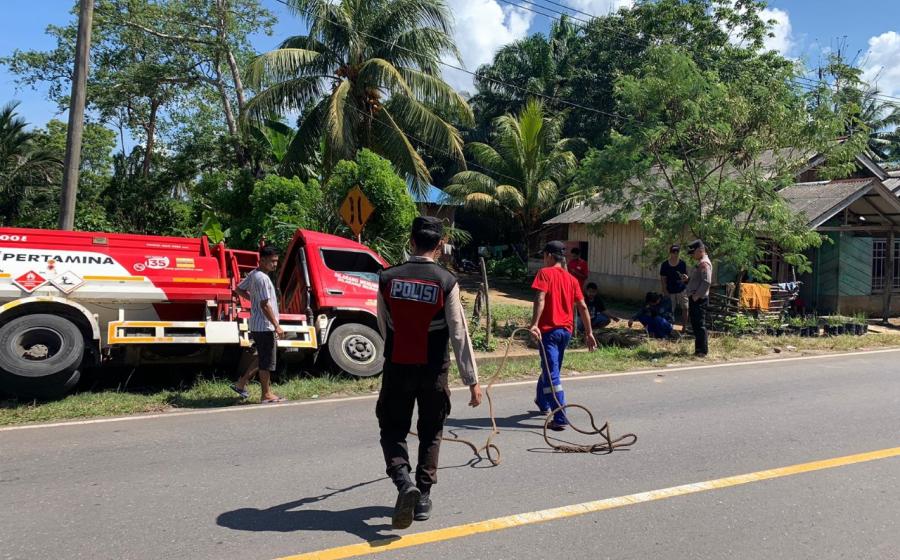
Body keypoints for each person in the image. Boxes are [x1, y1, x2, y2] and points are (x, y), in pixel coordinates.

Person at [376, 216, 482, 530]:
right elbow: (459, 333)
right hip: (435, 370)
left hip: (397, 366)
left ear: (411, 241)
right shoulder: (446, 281)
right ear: (439, 245)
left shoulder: (387, 278)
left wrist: (397, 349)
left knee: (392, 429)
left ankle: (402, 480)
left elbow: (382, 324)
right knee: (431, 431)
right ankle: (422, 496)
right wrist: (472, 381)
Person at [529, 241, 597, 431]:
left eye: (544, 255)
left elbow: (540, 298)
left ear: (550, 256)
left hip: (549, 332)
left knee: (552, 374)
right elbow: (583, 307)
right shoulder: (572, 279)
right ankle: (543, 403)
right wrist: (589, 332)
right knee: (552, 368)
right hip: (566, 333)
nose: (544, 259)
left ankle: (559, 417)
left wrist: (534, 324)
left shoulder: (544, 273)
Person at [230, 245, 285, 403]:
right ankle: (266, 394)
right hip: (265, 325)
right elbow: (265, 305)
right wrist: (276, 325)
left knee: (262, 357)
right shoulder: (262, 278)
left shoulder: (254, 274)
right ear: (262, 260)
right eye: (272, 261)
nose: (275, 264)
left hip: (258, 324)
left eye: (276, 261)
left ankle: (241, 384)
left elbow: (239, 289)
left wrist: (252, 300)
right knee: (266, 362)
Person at [685, 239, 712, 357]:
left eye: (693, 253)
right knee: (696, 324)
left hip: (699, 299)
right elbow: (699, 280)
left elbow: (706, 282)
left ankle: (702, 351)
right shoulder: (700, 262)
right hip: (696, 298)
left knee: (700, 324)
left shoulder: (704, 264)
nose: (692, 255)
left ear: (700, 250)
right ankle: (698, 350)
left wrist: (696, 296)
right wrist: (688, 280)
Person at [659, 245, 690, 328]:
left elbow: (686, 277)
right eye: (673, 252)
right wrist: (665, 291)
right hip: (670, 291)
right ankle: (670, 327)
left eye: (677, 252)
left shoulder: (682, 264)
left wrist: (686, 278)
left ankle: (684, 327)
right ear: (670, 253)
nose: (675, 254)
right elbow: (663, 279)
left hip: (681, 290)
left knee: (685, 308)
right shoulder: (665, 265)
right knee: (670, 311)